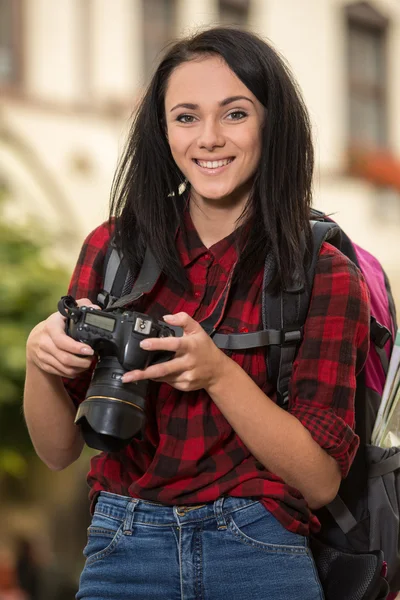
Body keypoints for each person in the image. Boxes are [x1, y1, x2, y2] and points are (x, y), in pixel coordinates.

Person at [23, 27, 370, 600]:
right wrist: (41, 360)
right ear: (161, 130)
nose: (208, 138)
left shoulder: (321, 271)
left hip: (259, 549)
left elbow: (319, 480)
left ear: (270, 124)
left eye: (234, 114)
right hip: (122, 543)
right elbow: (59, 452)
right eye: (186, 117)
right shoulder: (115, 252)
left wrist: (216, 373)